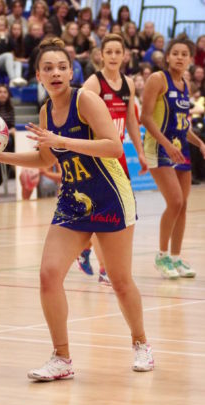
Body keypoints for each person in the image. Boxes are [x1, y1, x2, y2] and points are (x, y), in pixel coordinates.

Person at [0, 37, 154, 380]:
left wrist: (63, 141)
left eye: (62, 66)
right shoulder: (46, 110)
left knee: (119, 281)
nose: (56, 72)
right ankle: (62, 358)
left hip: (110, 195)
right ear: (38, 75)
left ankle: (141, 343)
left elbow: (110, 146)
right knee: (48, 275)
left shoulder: (86, 100)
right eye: (48, 68)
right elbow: (46, 158)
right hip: (73, 198)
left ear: (71, 71)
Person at [78, 33, 148, 285]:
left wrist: (140, 152)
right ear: (101, 55)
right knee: (103, 214)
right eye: (109, 52)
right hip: (97, 157)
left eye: (118, 51)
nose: (114, 56)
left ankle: (85, 248)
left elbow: (131, 121)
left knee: (125, 212)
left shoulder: (128, 83)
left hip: (117, 157)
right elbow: (79, 116)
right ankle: (105, 268)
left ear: (125, 55)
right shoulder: (94, 84)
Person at [141, 35, 205, 279]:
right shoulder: (158, 79)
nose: (179, 57)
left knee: (184, 205)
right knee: (175, 201)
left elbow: (182, 124)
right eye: (175, 53)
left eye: (184, 54)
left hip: (181, 147)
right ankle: (161, 256)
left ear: (190, 59)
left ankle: (176, 258)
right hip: (159, 147)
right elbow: (146, 117)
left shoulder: (184, 84)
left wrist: (199, 142)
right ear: (167, 56)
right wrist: (166, 144)